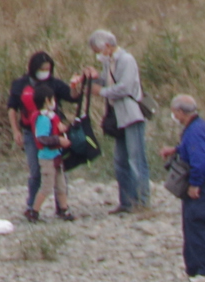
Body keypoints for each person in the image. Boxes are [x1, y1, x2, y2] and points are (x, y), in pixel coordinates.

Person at [84, 30, 148, 214]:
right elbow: (106, 81)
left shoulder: (126, 60)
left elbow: (125, 87)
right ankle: (127, 202)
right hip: (117, 116)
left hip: (131, 114)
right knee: (121, 160)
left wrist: (101, 92)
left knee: (136, 159)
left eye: (98, 49)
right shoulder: (109, 62)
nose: (98, 53)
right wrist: (93, 77)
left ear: (107, 46)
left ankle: (142, 202)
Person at [9, 52, 75, 220]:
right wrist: (15, 131)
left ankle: (61, 208)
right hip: (32, 134)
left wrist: (76, 85)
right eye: (42, 69)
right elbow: (12, 108)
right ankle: (32, 207)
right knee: (36, 172)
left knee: (59, 176)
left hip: (53, 138)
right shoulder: (20, 85)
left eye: (48, 69)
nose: (46, 71)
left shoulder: (54, 84)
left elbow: (73, 96)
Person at [164, 93, 205, 279]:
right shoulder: (195, 128)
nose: (174, 117)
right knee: (190, 225)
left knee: (197, 224)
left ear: (180, 111)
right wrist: (176, 150)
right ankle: (193, 268)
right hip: (201, 182)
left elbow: (200, 161)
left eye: (175, 113)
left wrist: (195, 185)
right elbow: (191, 149)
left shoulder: (195, 131)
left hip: (202, 184)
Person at [26, 83, 74, 222]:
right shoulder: (43, 119)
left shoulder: (52, 117)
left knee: (61, 185)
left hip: (56, 156)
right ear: (47, 101)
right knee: (46, 186)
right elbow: (42, 138)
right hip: (47, 158)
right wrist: (58, 140)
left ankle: (64, 209)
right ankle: (34, 211)